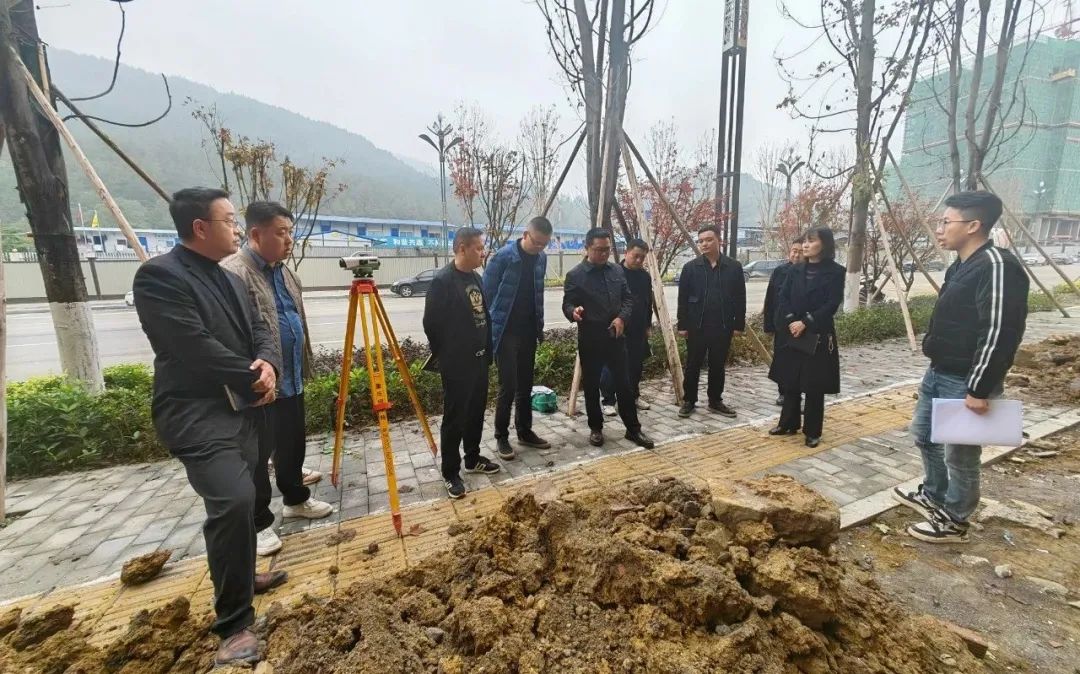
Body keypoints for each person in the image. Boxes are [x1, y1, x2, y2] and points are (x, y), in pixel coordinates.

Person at [133, 187, 287, 667]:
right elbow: (191, 345)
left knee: (247, 494)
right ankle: (234, 624)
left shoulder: (230, 278)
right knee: (233, 501)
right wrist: (251, 374)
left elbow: (261, 328)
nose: (237, 229)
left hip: (242, 407)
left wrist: (267, 363)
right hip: (196, 413)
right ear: (200, 227)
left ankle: (241, 575)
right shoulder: (160, 277)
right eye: (229, 220)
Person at [893, 191, 1028, 543]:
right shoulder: (962, 265)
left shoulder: (997, 266)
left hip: (966, 379)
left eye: (945, 222)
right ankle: (934, 494)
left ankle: (955, 519)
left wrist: (979, 388)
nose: (939, 229)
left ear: (973, 225)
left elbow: (999, 331)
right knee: (924, 435)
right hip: (940, 370)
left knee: (961, 455)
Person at [221, 201, 334, 558]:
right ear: (256, 234)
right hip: (258, 385)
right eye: (281, 233)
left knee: (292, 444)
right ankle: (257, 523)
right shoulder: (233, 274)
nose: (289, 240)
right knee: (256, 457)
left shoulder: (286, 274)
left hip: (291, 377)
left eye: (290, 232)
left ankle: (296, 499)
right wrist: (251, 377)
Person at [424, 227, 501, 499]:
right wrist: (448, 353)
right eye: (478, 248)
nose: (483, 252)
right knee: (455, 418)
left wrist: (487, 350)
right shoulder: (443, 281)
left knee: (476, 412)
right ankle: (450, 472)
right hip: (457, 363)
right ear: (461, 248)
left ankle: (472, 458)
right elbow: (431, 324)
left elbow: (484, 316)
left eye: (482, 247)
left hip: (480, 359)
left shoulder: (476, 278)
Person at [562, 228, 655, 449]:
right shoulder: (575, 275)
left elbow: (628, 299)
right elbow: (568, 303)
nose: (604, 254)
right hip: (591, 338)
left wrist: (622, 318)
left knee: (624, 384)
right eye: (599, 250)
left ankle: (633, 429)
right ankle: (596, 428)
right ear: (587, 248)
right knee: (592, 385)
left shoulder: (616, 270)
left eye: (607, 249)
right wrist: (573, 312)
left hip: (616, 337)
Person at [482, 216, 553, 460]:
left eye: (544, 244)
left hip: (529, 331)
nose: (539, 248)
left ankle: (524, 431)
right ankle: (501, 436)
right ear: (525, 235)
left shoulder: (541, 258)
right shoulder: (503, 258)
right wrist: (489, 331)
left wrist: (538, 326)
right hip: (505, 332)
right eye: (536, 242)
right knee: (508, 386)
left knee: (525, 385)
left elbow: (538, 295)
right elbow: (487, 295)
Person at [768, 226, 845, 449]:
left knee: (814, 384)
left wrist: (806, 322)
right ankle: (788, 423)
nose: (806, 245)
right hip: (792, 331)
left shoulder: (836, 272)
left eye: (812, 240)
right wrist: (792, 320)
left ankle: (812, 431)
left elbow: (831, 304)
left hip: (817, 332)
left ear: (825, 244)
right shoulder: (796, 270)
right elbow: (783, 298)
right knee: (790, 380)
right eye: (805, 241)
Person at [676, 225, 746, 419]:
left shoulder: (733, 267)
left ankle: (715, 400)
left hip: (722, 325)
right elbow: (682, 299)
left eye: (708, 240)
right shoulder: (691, 268)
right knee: (693, 364)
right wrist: (682, 324)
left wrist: (738, 324)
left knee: (717, 365)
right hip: (696, 325)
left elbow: (740, 298)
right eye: (701, 241)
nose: (704, 244)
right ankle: (689, 400)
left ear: (719, 241)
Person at [600, 238, 653, 415]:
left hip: (638, 327)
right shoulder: (613, 273)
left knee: (636, 365)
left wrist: (647, 325)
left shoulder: (645, 276)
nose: (638, 260)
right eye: (635, 256)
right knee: (611, 365)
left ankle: (633, 396)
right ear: (627, 252)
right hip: (617, 327)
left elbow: (648, 302)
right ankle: (608, 400)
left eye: (642, 257)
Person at [763, 237, 805, 407]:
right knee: (781, 360)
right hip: (782, 325)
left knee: (800, 362)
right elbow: (770, 300)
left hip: (802, 326)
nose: (796, 255)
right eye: (794, 251)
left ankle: (797, 394)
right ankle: (783, 393)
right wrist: (769, 325)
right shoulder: (780, 271)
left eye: (801, 252)